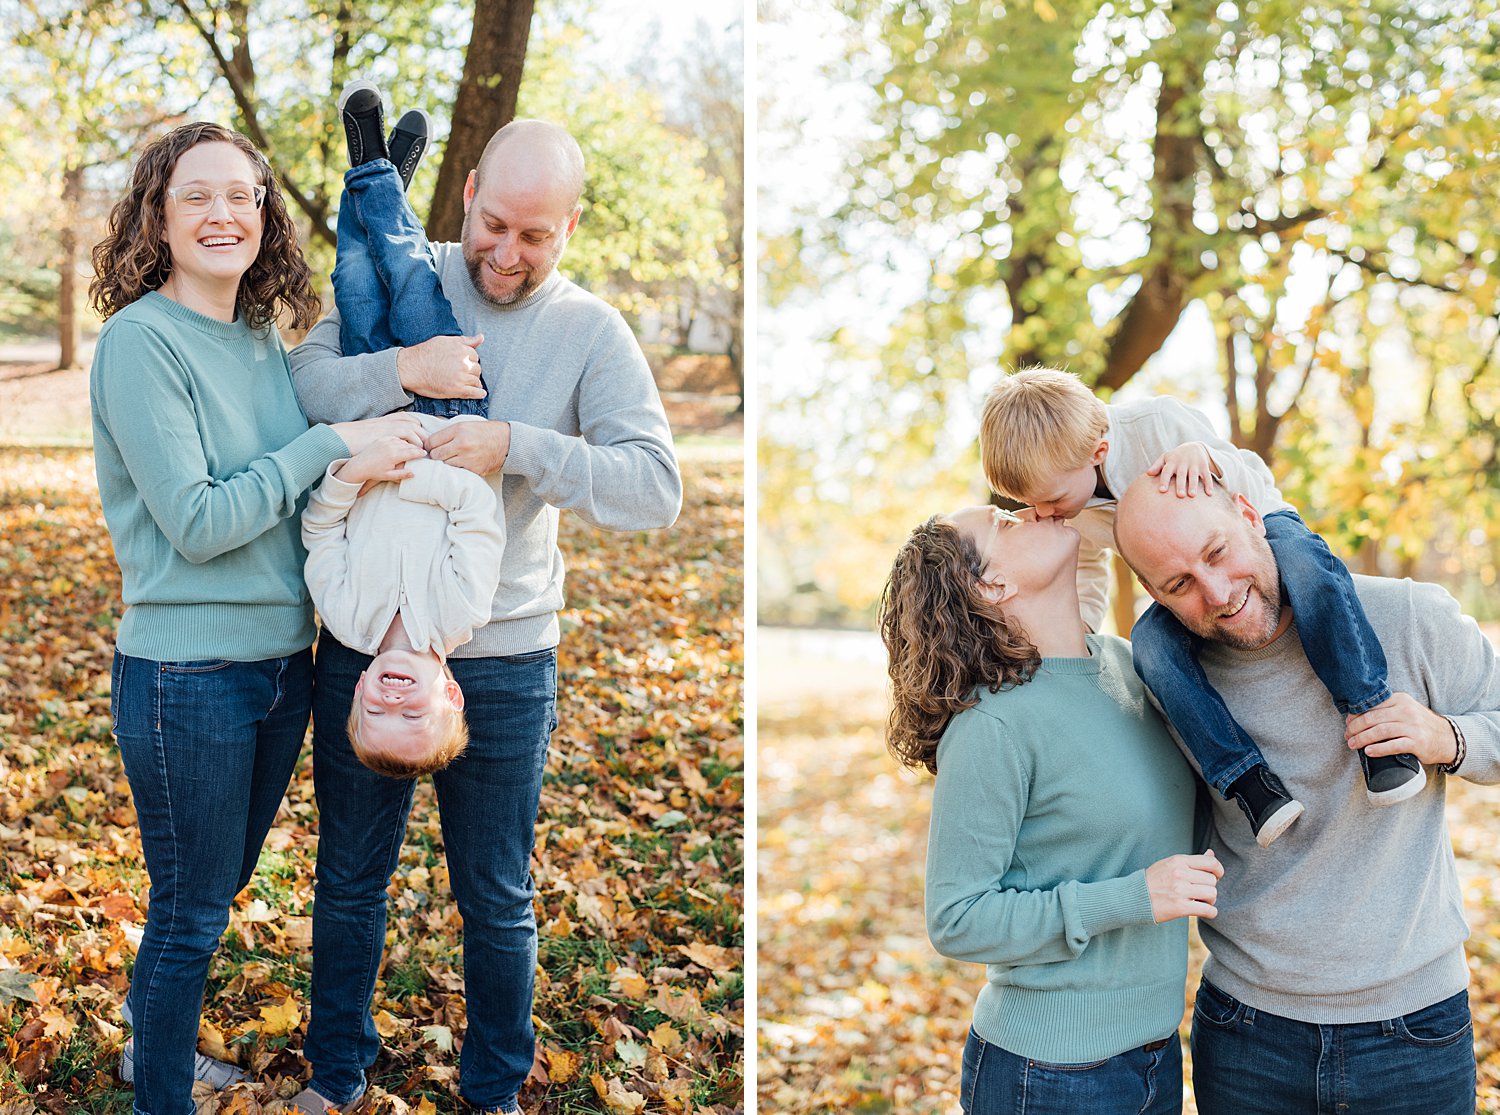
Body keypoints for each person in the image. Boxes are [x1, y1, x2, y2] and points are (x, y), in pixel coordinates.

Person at [285, 101, 682, 1114]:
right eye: (495, 224)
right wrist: (402, 372)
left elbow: (656, 487)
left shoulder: (589, 329)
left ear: (572, 229)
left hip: (503, 656)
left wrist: (520, 446)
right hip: (365, 644)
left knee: (496, 893)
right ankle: (336, 1076)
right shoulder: (408, 263)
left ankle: (494, 1088)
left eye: (535, 235)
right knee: (348, 875)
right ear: (467, 195)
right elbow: (306, 382)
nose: (506, 253)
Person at [88, 121, 424, 1115]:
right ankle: (161, 1093)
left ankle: (152, 1049)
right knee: (192, 909)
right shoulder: (139, 341)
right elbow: (197, 520)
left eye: (242, 194)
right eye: (196, 194)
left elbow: (302, 476)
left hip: (283, 662)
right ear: (157, 212)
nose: (222, 213)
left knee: (212, 884)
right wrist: (328, 445)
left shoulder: (253, 334)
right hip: (188, 674)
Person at [1114, 477, 1500, 1115]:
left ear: (1248, 512)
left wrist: (1447, 738)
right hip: (1248, 1039)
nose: (1217, 593)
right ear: (1154, 596)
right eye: (1179, 584)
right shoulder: (1166, 685)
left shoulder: (1407, 616)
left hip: (1417, 1031)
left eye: (1216, 553)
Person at [980, 367, 1421, 848]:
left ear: (1098, 452)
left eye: (1050, 500)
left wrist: (1209, 458)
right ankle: (1247, 779)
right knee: (1149, 646)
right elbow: (1087, 574)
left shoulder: (1159, 425)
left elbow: (1252, 476)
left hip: (1257, 531)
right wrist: (1076, 634)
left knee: (1312, 574)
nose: (1044, 515)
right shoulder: (1072, 506)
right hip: (1185, 581)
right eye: (1030, 505)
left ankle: (1373, 719)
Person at [879, 504, 1218, 1115]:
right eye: (1004, 524)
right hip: (1049, 1073)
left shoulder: (1129, 664)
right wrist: (1134, 897)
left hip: (1158, 1055)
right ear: (993, 585)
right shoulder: (993, 723)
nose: (1030, 510)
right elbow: (956, 917)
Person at [299, 81, 506, 781]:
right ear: (450, 694)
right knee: (412, 281)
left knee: (356, 283)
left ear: (354, 692)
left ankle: (377, 168)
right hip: (446, 417)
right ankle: (383, 175)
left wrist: (359, 470)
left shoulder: (344, 618)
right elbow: (476, 508)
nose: (392, 703)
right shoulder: (461, 611)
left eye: (375, 713)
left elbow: (321, 529)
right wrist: (410, 465)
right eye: (412, 716)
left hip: (364, 423)